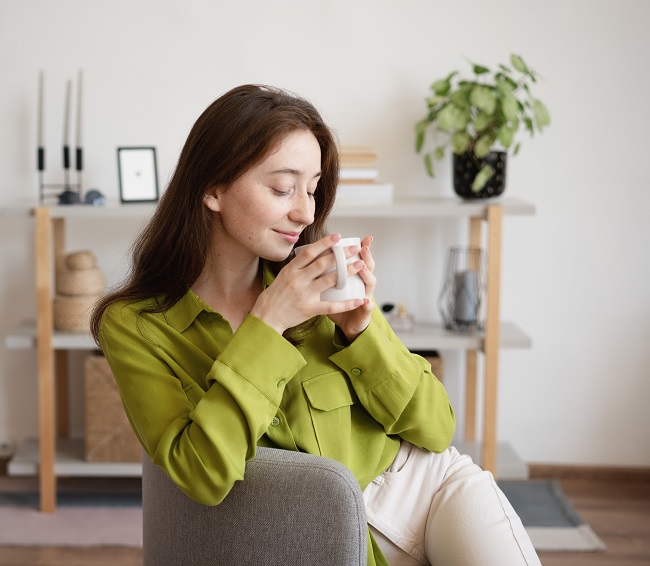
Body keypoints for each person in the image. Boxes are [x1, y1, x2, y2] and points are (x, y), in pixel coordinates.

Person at [90, 84, 540, 566]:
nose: (306, 213)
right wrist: (269, 323)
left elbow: (437, 428)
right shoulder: (136, 326)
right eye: (283, 188)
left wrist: (363, 331)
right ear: (213, 188)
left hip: (427, 487)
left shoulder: (322, 281)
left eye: (312, 188)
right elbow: (200, 474)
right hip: (316, 528)